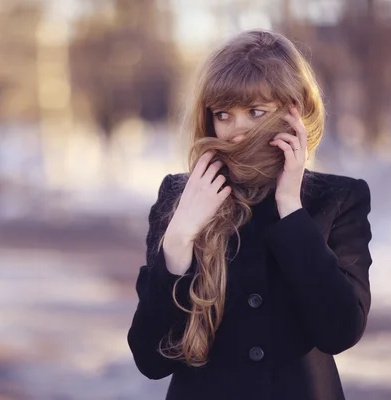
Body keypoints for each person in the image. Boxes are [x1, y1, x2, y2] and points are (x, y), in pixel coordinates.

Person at [127, 29, 373, 400]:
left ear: (296, 110)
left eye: (256, 112)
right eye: (224, 114)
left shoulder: (337, 198)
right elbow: (151, 359)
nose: (237, 130)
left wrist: (291, 209)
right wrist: (179, 240)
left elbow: (339, 331)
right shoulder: (181, 197)